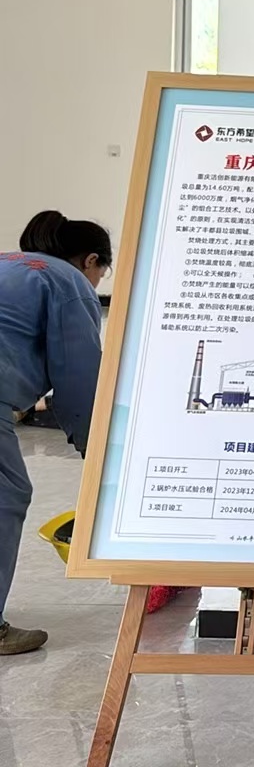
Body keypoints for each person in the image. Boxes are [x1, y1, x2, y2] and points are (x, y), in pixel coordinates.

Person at [0, 210, 111, 656]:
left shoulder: (8, 264)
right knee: (6, 495)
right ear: (91, 260)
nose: (98, 281)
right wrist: (97, 453)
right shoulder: (69, 283)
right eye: (102, 272)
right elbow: (79, 381)